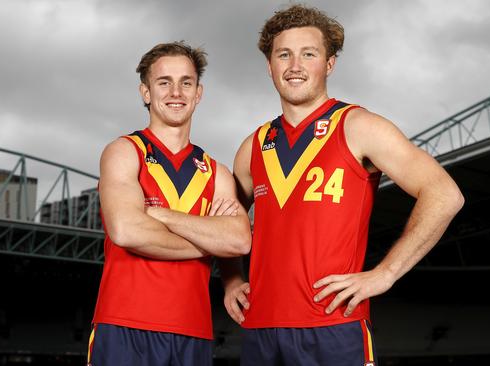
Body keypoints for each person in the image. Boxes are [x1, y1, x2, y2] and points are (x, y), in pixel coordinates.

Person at [219, 5, 464, 366]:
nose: (295, 65)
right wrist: (230, 279)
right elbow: (226, 221)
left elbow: (445, 194)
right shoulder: (252, 146)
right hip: (260, 330)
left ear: (329, 64)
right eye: (283, 54)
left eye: (309, 54)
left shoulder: (360, 127)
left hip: (334, 326)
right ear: (270, 66)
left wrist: (386, 274)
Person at [88, 41, 251, 366]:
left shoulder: (215, 172)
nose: (176, 92)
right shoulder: (123, 152)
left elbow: (239, 241)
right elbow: (127, 231)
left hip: (193, 331)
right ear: (145, 92)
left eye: (186, 82)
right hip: (124, 327)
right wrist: (209, 239)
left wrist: (160, 216)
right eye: (164, 82)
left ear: (198, 93)